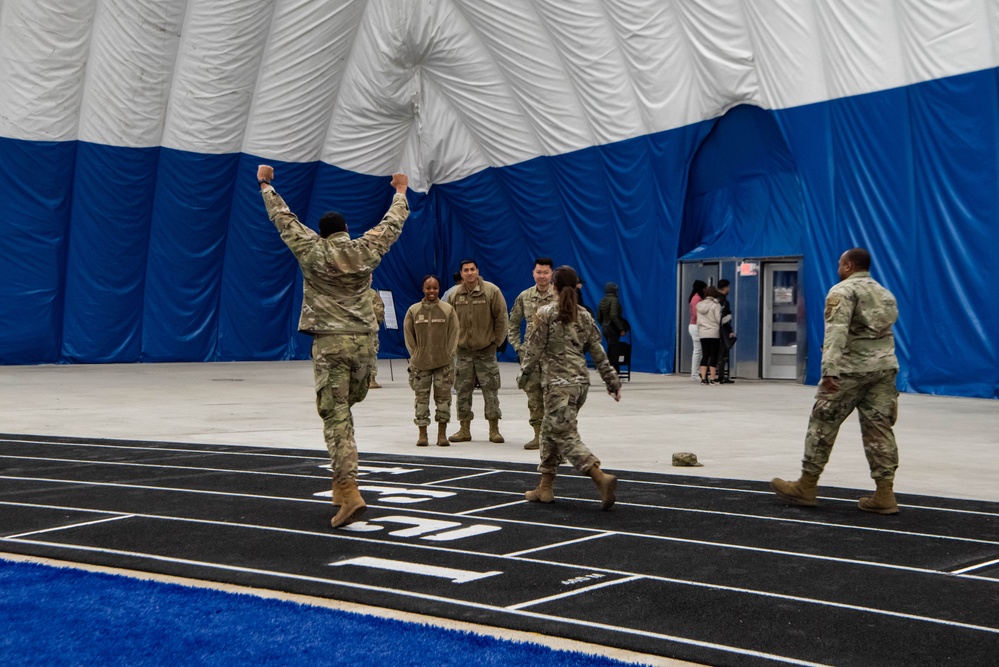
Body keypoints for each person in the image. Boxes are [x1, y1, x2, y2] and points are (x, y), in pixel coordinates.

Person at [256, 164, 409, 529]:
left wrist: (265, 184)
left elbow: (284, 219)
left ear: (322, 234)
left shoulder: (313, 250)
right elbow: (391, 225)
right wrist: (400, 191)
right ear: (345, 231)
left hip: (331, 342)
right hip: (365, 343)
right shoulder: (363, 249)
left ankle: (348, 487)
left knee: (336, 415)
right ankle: (340, 486)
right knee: (348, 406)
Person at [771, 248, 901, 515]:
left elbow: (836, 331)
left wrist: (829, 370)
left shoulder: (842, 291)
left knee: (822, 423)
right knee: (880, 430)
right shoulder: (885, 294)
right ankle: (885, 494)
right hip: (883, 370)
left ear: (849, 265)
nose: (838, 268)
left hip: (850, 370)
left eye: (840, 264)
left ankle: (806, 486)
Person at [518, 265, 621, 510]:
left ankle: (599, 476)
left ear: (553, 286)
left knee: (564, 435)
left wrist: (523, 376)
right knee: (549, 431)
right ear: (576, 286)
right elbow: (598, 351)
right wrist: (612, 381)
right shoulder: (584, 315)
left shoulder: (545, 313)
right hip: (580, 383)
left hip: (557, 385)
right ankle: (545, 487)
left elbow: (533, 349)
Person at [445, 259, 508, 443]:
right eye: (466, 270)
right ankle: (464, 429)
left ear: (477, 271)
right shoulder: (454, 294)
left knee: (491, 391)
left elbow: (502, 318)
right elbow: (449, 321)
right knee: (462, 391)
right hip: (463, 352)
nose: (470, 273)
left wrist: (496, 342)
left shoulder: (491, 291)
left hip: (486, 351)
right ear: (461, 273)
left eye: (472, 269)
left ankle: (494, 430)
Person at [403, 275, 459, 447]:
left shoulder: (447, 310)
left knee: (443, 400)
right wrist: (415, 355)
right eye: (428, 288)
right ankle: (422, 434)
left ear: (439, 289)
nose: (432, 291)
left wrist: (448, 354)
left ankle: (442, 434)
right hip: (420, 364)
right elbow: (408, 335)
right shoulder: (413, 310)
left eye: (435, 288)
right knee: (421, 399)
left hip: (443, 363)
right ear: (423, 289)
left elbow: (454, 333)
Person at [508, 257, 556, 450]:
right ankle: (538, 436)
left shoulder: (560, 297)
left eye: (545, 272)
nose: (542, 276)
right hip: (530, 357)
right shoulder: (525, 296)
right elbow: (512, 323)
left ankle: (553, 438)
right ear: (533, 273)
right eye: (538, 272)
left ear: (551, 273)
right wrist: (518, 347)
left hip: (554, 358)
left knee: (554, 398)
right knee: (534, 397)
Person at [596, 282, 628, 372]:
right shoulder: (614, 300)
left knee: (611, 349)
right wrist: (621, 328)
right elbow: (613, 315)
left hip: (605, 329)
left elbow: (598, 317)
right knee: (614, 350)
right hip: (613, 329)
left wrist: (604, 325)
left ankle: (613, 370)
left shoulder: (602, 300)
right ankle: (612, 371)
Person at [696, 285, 722, 385]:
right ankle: (712, 378)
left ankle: (703, 379)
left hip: (703, 332)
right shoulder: (716, 305)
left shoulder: (699, 305)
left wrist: (700, 330)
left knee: (705, 354)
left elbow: (698, 321)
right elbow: (718, 319)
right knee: (713, 355)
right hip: (713, 332)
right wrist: (727, 318)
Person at [717, 279, 736, 383]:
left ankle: (715, 375)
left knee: (715, 353)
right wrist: (730, 331)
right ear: (724, 288)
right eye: (728, 287)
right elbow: (725, 318)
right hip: (722, 330)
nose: (729, 289)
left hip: (713, 329)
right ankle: (721, 376)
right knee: (723, 353)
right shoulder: (724, 301)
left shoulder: (715, 299)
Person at [368, 275, 385, 388]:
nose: (371, 280)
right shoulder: (372, 294)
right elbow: (379, 311)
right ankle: (371, 379)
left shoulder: (350, 292)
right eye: (370, 278)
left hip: (353, 330)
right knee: (371, 352)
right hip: (370, 329)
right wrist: (376, 323)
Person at [688, 280, 707, 380]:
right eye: (704, 288)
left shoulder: (697, 297)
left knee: (699, 350)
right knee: (698, 350)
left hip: (695, 325)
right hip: (696, 326)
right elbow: (696, 314)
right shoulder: (696, 298)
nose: (705, 290)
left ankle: (697, 372)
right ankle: (694, 374)